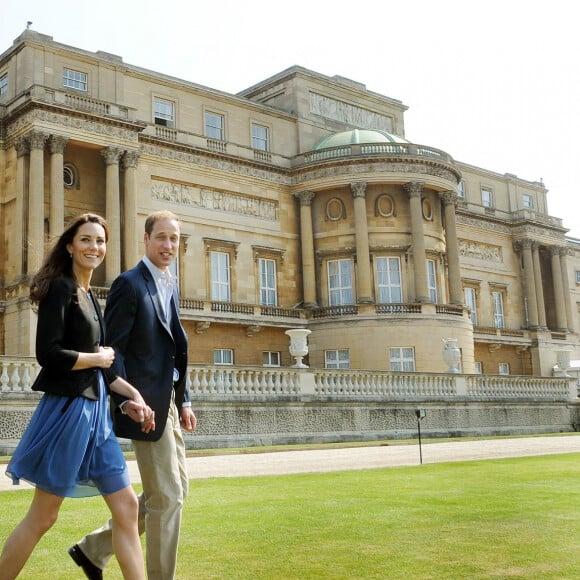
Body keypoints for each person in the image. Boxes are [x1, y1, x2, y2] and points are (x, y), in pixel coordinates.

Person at [0, 213, 154, 580]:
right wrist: (98, 357)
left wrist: (132, 395)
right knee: (44, 517)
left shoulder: (89, 295)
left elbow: (104, 369)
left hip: (98, 417)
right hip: (69, 414)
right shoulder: (61, 289)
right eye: (86, 240)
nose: (94, 248)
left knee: (127, 507)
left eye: (100, 241)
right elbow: (48, 354)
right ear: (70, 245)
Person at [71, 209, 197, 579]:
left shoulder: (168, 283)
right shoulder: (130, 283)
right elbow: (114, 349)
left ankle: (92, 549)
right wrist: (125, 398)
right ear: (146, 239)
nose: (168, 245)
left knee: (176, 491)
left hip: (168, 404)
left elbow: (175, 348)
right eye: (161, 237)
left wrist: (184, 399)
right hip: (143, 405)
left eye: (174, 239)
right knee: (168, 497)